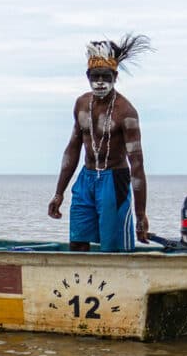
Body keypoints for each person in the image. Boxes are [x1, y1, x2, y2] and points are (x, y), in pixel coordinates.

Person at [47, 34, 152, 252]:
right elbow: (72, 149)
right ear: (88, 76)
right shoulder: (82, 104)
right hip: (86, 179)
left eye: (106, 76)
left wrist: (141, 215)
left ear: (115, 76)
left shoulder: (126, 112)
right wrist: (59, 193)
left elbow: (137, 164)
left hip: (114, 180)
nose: (100, 82)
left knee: (112, 247)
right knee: (78, 239)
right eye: (95, 77)